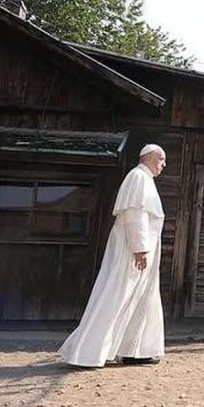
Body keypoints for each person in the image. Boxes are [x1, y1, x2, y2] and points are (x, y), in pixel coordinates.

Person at [59, 145, 167, 368]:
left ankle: (134, 350)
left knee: (142, 299)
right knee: (119, 294)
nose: (163, 165)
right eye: (161, 160)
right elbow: (134, 215)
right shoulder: (137, 177)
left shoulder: (146, 180)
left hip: (144, 248)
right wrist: (140, 249)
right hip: (133, 248)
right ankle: (88, 353)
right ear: (149, 158)